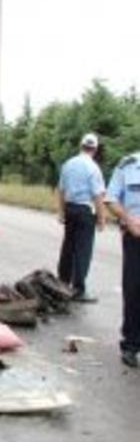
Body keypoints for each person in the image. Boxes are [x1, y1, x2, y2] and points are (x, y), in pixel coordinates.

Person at [55, 132, 106, 303]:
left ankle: (62, 282)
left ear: (81, 146)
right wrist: (101, 218)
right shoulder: (93, 168)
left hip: (70, 209)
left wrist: (61, 211)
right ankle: (78, 289)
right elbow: (98, 195)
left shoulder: (69, 164)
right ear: (95, 149)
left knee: (68, 247)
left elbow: (61, 190)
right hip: (85, 210)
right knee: (83, 250)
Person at [105, 150, 140, 367]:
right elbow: (111, 198)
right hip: (135, 237)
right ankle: (131, 344)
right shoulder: (128, 165)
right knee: (134, 290)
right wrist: (128, 219)